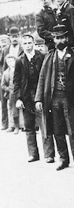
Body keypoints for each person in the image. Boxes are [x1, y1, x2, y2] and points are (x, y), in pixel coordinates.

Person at [35, 24, 74, 172]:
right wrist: (39, 99)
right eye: (57, 38)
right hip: (53, 99)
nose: (60, 40)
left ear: (67, 38)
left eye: (63, 37)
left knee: (73, 131)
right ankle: (63, 158)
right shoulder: (49, 57)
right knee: (57, 130)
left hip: (70, 99)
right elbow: (42, 78)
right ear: (54, 39)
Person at [13, 33, 55, 162]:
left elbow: (47, 77)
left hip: (40, 97)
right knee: (29, 126)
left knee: (44, 125)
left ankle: (49, 155)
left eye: (29, 43)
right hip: (26, 98)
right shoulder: (19, 61)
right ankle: (33, 154)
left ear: (33, 43)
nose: (27, 46)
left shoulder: (42, 57)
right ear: (22, 45)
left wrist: (44, 96)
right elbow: (16, 82)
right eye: (25, 43)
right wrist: (18, 98)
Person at [2, 54, 22, 133]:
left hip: (21, 91)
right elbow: (3, 85)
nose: (10, 63)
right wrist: (8, 89)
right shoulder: (6, 72)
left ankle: (25, 126)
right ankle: (14, 126)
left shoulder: (20, 70)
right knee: (13, 110)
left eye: (12, 61)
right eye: (8, 61)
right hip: (12, 93)